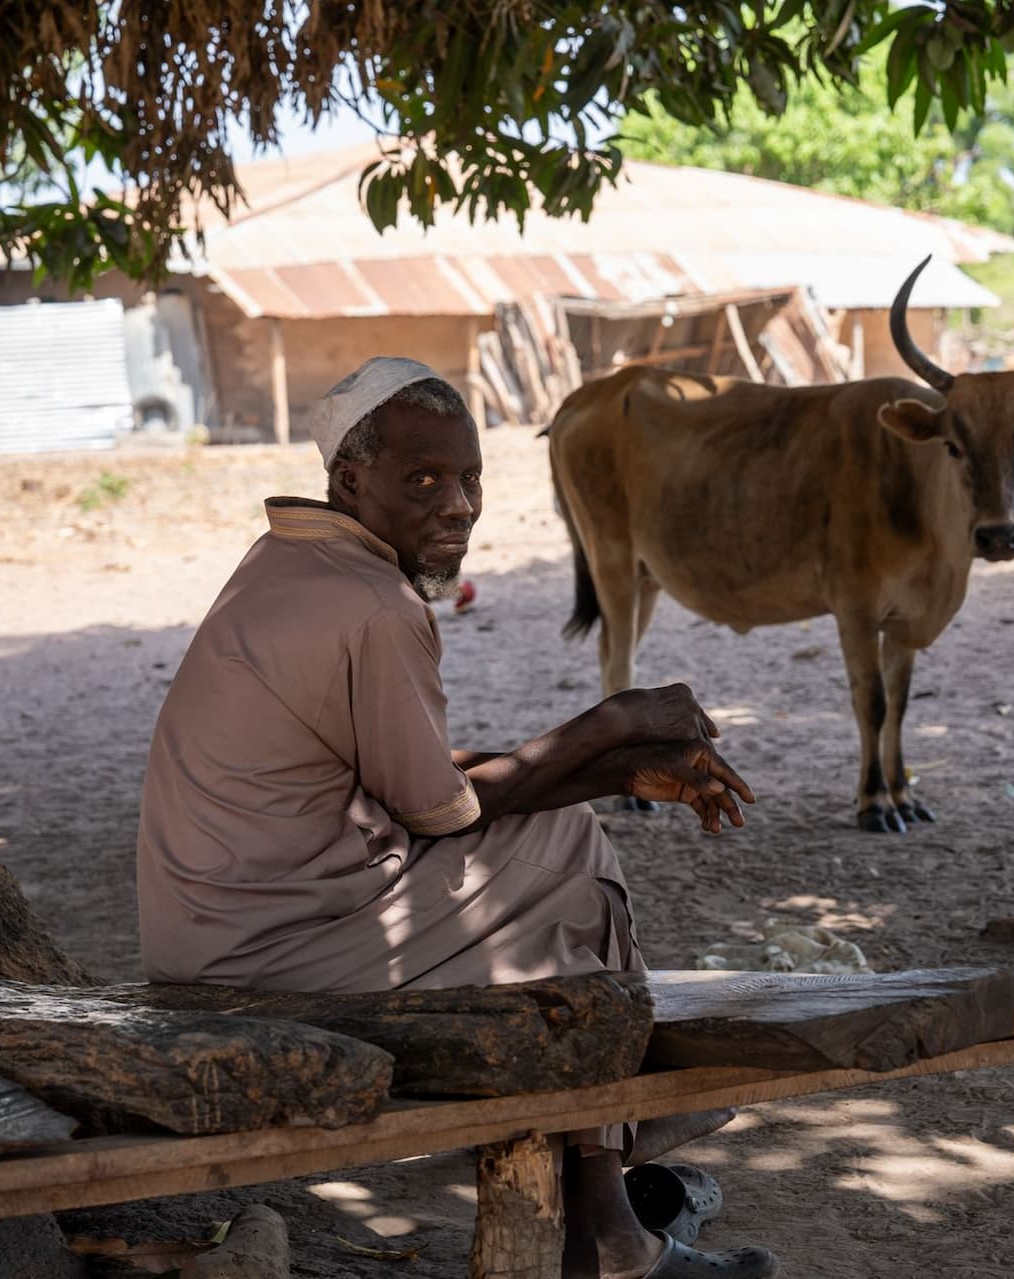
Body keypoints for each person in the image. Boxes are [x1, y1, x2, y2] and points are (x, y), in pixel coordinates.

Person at [136, 356, 779, 1279]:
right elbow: (442, 810)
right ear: (350, 480)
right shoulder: (373, 602)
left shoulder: (289, 560)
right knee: (566, 857)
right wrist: (615, 722)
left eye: (471, 477)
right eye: (424, 479)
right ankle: (609, 1228)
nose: (459, 504)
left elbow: (413, 779)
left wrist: (616, 768)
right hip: (265, 947)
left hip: (217, 925)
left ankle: (603, 1216)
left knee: (559, 850)